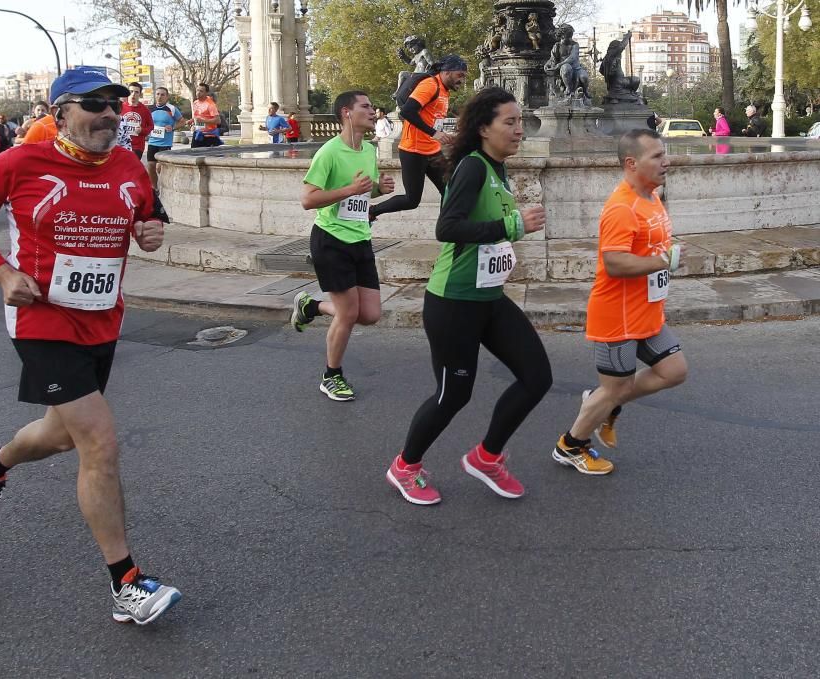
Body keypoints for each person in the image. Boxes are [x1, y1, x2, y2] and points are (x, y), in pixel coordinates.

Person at [0, 65, 181, 626]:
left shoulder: (128, 165)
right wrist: (2, 273)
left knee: (59, 436)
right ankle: (127, 585)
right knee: (98, 439)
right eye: (92, 103)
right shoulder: (19, 162)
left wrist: (150, 231)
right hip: (41, 322)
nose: (107, 113)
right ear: (60, 115)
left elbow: (146, 216)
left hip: (102, 318)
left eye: (114, 104)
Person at [385, 88, 551, 505]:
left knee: (537, 377)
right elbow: (448, 228)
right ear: (483, 128)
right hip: (453, 301)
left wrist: (507, 230)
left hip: (488, 297)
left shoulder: (498, 169)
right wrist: (512, 227)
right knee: (453, 394)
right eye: (509, 122)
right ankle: (405, 466)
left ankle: (486, 457)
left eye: (519, 122)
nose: (519, 130)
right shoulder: (473, 168)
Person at [552, 129, 686, 475]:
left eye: (664, 154)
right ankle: (571, 445)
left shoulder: (652, 197)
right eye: (656, 156)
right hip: (618, 316)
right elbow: (614, 262)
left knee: (673, 371)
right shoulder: (621, 207)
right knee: (615, 388)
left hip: (648, 311)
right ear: (631, 163)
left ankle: (604, 401)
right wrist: (663, 262)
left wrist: (663, 254)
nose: (666, 161)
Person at [289, 90, 395, 401]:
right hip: (331, 240)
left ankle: (311, 306)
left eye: (372, 107)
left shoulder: (368, 151)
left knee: (371, 314)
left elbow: (361, 195)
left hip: (361, 239)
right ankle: (331, 375)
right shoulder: (329, 152)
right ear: (347, 112)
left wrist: (378, 189)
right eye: (365, 107)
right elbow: (308, 199)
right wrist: (349, 189)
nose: (373, 111)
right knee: (348, 314)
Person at [369, 55, 467, 222]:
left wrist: (447, 133)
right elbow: (407, 111)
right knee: (412, 200)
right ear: (448, 72)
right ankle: (372, 211)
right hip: (413, 151)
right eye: (460, 75)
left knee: (451, 189)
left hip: (433, 150)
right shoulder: (430, 85)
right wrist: (434, 133)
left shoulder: (444, 90)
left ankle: (449, 228)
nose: (463, 80)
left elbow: (431, 117)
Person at [147, 86, 184, 190]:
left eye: (162, 95)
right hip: (152, 142)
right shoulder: (150, 109)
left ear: (167, 97)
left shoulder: (171, 109)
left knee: (160, 167)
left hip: (165, 143)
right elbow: (146, 123)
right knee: (150, 166)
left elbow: (182, 121)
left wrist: (172, 127)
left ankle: (165, 187)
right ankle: (155, 188)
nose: (159, 97)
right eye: (158, 94)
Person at [120, 82, 155, 160]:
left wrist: (142, 130)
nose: (133, 94)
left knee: (131, 169)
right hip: (121, 144)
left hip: (137, 146)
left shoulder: (145, 110)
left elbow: (151, 126)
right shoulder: (120, 107)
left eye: (136, 92)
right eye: (131, 91)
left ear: (140, 94)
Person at [190, 83, 223, 148]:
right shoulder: (195, 103)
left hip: (209, 136)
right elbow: (196, 117)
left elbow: (218, 121)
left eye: (201, 91)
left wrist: (203, 121)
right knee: (193, 155)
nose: (198, 93)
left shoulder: (210, 104)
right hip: (197, 133)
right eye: (197, 90)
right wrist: (191, 122)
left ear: (206, 93)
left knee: (208, 157)